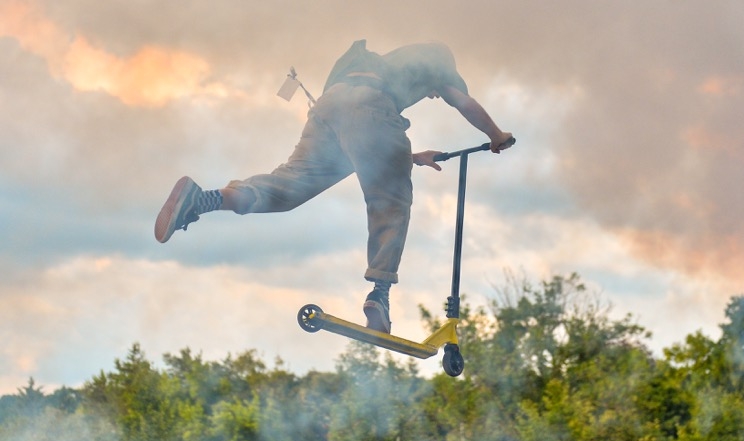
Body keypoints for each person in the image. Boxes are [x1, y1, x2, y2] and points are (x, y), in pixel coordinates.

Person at [155, 40, 514, 333]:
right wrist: (497, 136)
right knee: (390, 202)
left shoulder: (383, 65)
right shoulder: (436, 60)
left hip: (331, 107)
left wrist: (411, 156)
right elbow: (462, 102)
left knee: (286, 187)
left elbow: (365, 142)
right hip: (371, 110)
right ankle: (380, 295)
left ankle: (203, 200)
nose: (436, 95)